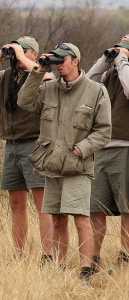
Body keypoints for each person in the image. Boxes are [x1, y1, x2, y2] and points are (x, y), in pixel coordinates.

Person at [18, 43, 111, 282]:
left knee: (81, 219)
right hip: (52, 166)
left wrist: (82, 149)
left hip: (78, 167)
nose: (58, 65)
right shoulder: (48, 87)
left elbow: (103, 131)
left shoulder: (96, 91)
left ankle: (85, 272)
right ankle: (59, 269)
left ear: (75, 61)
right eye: (55, 60)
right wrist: (38, 70)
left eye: (62, 60)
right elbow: (24, 101)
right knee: (58, 219)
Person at [0, 36, 53, 263]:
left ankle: (48, 255)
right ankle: (18, 254)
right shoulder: (7, 76)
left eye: (25, 51)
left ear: (34, 54)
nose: (17, 55)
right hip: (11, 145)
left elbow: (47, 76)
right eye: (16, 51)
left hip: (34, 143)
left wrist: (21, 57)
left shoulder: (39, 73)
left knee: (42, 203)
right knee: (16, 203)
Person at [86, 34, 129, 271]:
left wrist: (123, 63)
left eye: (124, 50)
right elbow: (89, 83)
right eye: (118, 50)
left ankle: (125, 258)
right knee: (95, 208)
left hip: (126, 147)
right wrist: (105, 59)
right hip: (101, 147)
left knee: (127, 208)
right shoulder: (109, 73)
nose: (119, 54)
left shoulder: (124, 72)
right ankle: (93, 259)